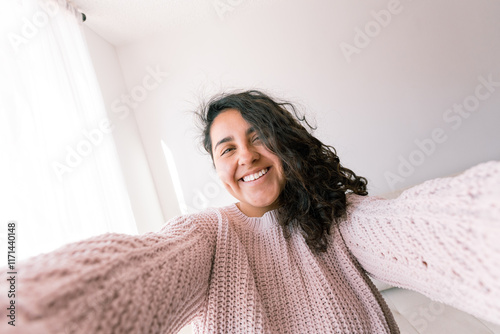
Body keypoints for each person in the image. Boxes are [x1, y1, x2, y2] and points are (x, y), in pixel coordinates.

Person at [1, 90, 499, 333]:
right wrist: (22, 307)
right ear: (216, 167)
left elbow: (423, 228)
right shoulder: (207, 235)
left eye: (259, 137)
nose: (247, 157)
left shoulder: (338, 218)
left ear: (285, 145)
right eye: (227, 148)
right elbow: (130, 274)